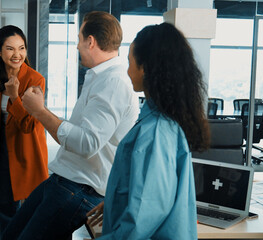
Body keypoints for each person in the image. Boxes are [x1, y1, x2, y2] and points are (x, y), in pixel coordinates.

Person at [2, 11, 139, 239]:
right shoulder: (99, 77)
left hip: (78, 189)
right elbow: (74, 135)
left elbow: (86, 143)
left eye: (78, 39)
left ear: (90, 41)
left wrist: (39, 111)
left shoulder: (113, 82)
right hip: (63, 179)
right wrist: (40, 110)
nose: (77, 46)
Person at [86, 22, 210, 239]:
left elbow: (144, 218)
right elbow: (151, 191)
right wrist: (117, 201)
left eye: (130, 62)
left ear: (146, 68)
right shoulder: (161, 122)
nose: (127, 70)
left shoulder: (155, 132)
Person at [0, 25, 49, 238]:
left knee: (30, 217)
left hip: (27, 153)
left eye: (21, 48)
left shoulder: (35, 79)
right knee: (5, 213)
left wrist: (14, 96)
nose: (17, 55)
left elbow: (29, 125)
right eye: (10, 49)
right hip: (1, 154)